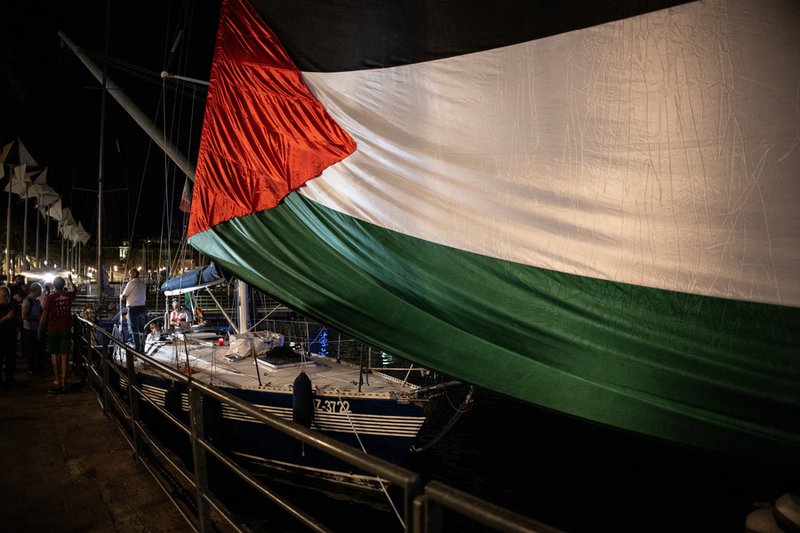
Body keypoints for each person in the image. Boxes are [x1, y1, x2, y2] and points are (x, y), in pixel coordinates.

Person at [39, 275, 76, 394]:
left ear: (54, 285)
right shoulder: (68, 296)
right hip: (66, 328)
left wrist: (40, 328)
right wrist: (71, 281)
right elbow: (75, 290)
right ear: (63, 285)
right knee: (64, 355)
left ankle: (57, 380)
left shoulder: (50, 298)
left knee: (54, 355)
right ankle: (64, 381)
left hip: (53, 329)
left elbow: (45, 315)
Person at [120, 268, 146, 352]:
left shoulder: (131, 283)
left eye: (130, 274)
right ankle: (143, 346)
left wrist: (121, 296)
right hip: (142, 307)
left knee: (134, 328)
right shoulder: (142, 283)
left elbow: (124, 296)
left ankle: (137, 347)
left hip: (133, 308)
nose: (129, 276)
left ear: (134, 274)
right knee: (142, 328)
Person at [21, 282, 45, 375]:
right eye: (40, 290)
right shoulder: (27, 301)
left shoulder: (36, 301)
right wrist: (37, 318)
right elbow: (24, 316)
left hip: (36, 328)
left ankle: (36, 367)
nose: (41, 291)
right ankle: (31, 368)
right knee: (30, 349)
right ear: (36, 290)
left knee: (36, 349)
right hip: (29, 329)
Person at [0, 287, 19, 388]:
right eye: (4, 295)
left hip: (10, 337)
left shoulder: (12, 305)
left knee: (11, 360)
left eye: (8, 295)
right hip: (1, 338)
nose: (6, 297)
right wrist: (6, 318)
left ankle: (10, 379)